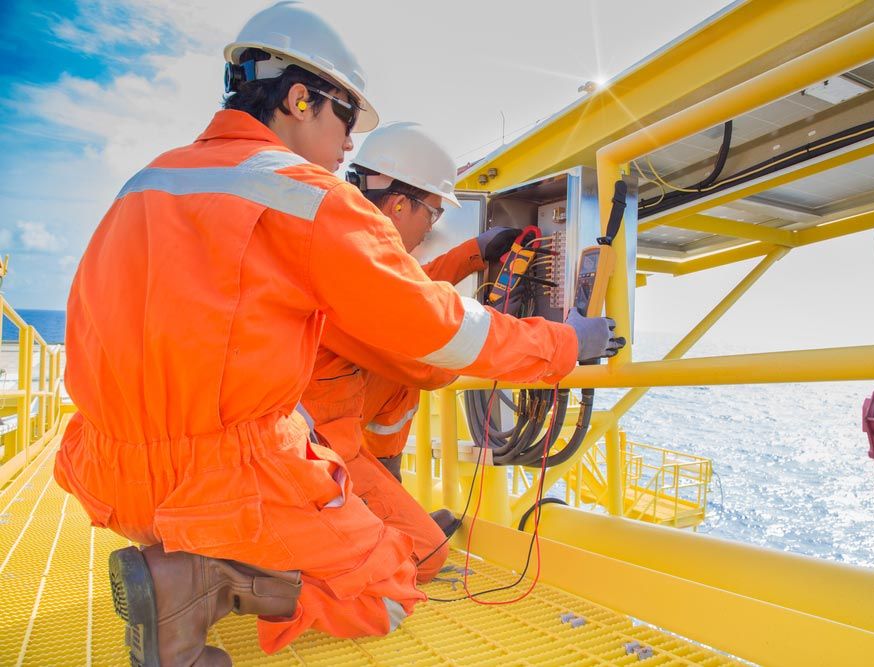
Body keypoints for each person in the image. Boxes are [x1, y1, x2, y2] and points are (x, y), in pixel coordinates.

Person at [53, 2, 624, 665]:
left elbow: (383, 291)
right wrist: (563, 344)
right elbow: (431, 328)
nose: (349, 145)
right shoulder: (302, 196)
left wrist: (471, 257)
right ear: (301, 98)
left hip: (108, 473)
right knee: (387, 590)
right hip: (229, 479)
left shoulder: (144, 185)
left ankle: (194, 567)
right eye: (346, 118)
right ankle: (204, 582)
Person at [299, 121, 522, 583]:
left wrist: (473, 253)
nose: (430, 227)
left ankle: (381, 520)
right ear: (400, 204)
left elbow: (408, 297)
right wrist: (559, 344)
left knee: (418, 540)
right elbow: (425, 358)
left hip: (329, 439)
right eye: (433, 214)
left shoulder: (347, 242)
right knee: (424, 556)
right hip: (313, 450)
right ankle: (216, 575)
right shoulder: (350, 262)